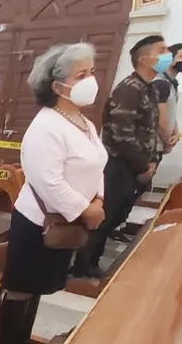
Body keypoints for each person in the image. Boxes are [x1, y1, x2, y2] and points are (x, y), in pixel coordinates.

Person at [0, 43, 106, 344]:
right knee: (21, 288)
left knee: (39, 287)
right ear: (58, 86)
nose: (91, 79)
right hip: (38, 222)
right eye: (81, 75)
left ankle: (23, 341)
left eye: (91, 72)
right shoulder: (46, 126)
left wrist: (98, 199)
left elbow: (97, 165)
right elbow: (47, 182)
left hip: (68, 220)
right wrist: (85, 210)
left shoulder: (83, 123)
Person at [71, 35, 166, 278]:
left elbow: (149, 130)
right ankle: (83, 266)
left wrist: (153, 159)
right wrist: (143, 165)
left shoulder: (149, 89)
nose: (167, 55)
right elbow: (122, 135)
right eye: (162, 50)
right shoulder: (129, 90)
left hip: (134, 167)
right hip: (118, 166)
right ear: (145, 59)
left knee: (117, 216)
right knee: (103, 217)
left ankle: (92, 260)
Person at [152, 43, 182, 155]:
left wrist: (176, 134)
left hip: (160, 144)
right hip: (151, 146)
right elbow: (159, 118)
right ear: (170, 60)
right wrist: (167, 142)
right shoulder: (160, 83)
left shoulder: (173, 84)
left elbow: (171, 112)